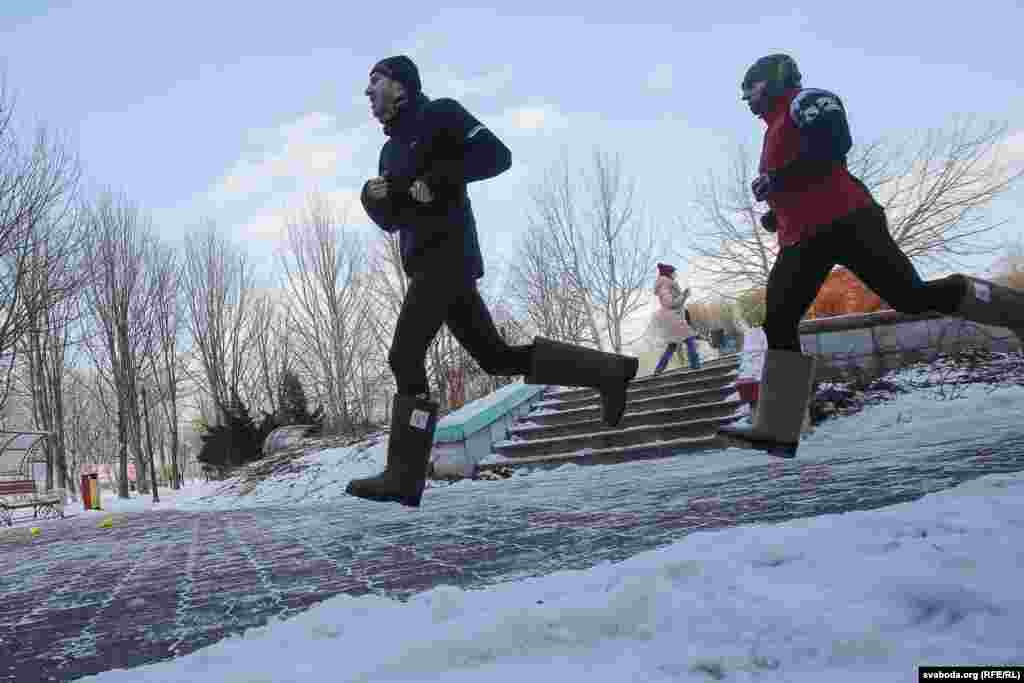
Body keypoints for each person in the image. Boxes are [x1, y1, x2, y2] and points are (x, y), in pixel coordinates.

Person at [348, 56, 639, 507]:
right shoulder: (390, 151)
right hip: (427, 261)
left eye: (376, 81)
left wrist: (436, 178)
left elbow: (495, 155)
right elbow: (394, 220)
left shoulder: (440, 113)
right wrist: (372, 200)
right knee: (497, 357)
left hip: (447, 256)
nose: (368, 93)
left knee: (404, 355)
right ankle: (609, 373)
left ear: (401, 85)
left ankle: (403, 475)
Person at [719, 53, 1024, 459]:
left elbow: (834, 144)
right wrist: (778, 209)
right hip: (804, 237)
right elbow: (805, 173)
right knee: (778, 318)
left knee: (910, 297)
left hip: (849, 220)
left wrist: (779, 181)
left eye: (750, 87)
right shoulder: (773, 129)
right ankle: (779, 427)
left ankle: (1014, 309)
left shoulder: (806, 100)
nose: (746, 97)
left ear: (772, 80)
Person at [650, 263, 701, 374]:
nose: (675, 274)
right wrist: (684, 295)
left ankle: (659, 369)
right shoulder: (664, 285)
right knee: (689, 339)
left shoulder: (666, 284)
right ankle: (696, 366)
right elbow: (670, 304)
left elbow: (675, 303)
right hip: (673, 318)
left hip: (673, 317)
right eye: (674, 273)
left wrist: (683, 296)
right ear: (669, 273)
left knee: (672, 345)